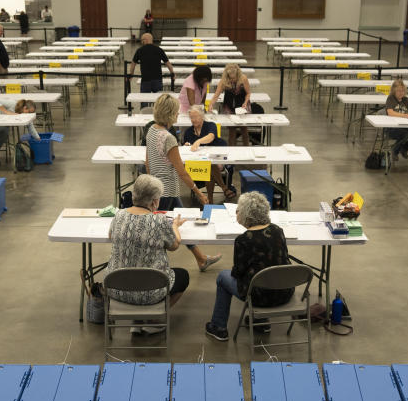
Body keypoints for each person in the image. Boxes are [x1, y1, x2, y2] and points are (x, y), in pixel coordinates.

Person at [145, 94, 221, 272]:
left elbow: (147, 161)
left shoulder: (151, 130)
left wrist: (152, 182)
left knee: (181, 220)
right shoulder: (168, 137)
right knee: (161, 232)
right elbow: (182, 171)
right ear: (170, 113)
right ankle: (153, 268)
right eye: (177, 111)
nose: (179, 114)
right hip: (168, 190)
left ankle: (201, 258)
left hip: (158, 188)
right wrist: (198, 192)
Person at [107, 174, 190, 334]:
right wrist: (175, 226)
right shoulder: (158, 222)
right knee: (183, 276)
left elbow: (111, 236)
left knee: (133, 270)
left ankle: (137, 321)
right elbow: (174, 245)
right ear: (154, 201)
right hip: (150, 292)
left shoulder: (119, 216)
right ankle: (153, 320)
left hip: (117, 288)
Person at [204, 191, 293, 341]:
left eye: (238, 209)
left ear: (246, 214)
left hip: (259, 297)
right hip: (284, 291)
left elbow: (237, 273)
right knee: (264, 274)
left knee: (222, 277)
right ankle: (261, 322)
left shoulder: (243, 240)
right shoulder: (278, 231)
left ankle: (218, 327)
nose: (236, 212)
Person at [182, 105, 235, 203]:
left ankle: (209, 199)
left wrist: (198, 141)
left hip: (216, 159)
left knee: (209, 164)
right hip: (197, 163)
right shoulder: (188, 132)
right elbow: (185, 148)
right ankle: (224, 188)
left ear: (202, 116)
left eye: (196, 117)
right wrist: (186, 146)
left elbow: (211, 137)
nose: (193, 120)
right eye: (191, 117)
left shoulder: (210, 125)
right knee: (208, 164)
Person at [0, 98, 38, 166]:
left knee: (3, 132)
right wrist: (6, 112)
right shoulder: (13, 104)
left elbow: (31, 126)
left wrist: (38, 138)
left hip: (3, 125)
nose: (30, 114)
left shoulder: (26, 115)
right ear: (25, 108)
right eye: (29, 112)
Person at [210, 63, 251, 146]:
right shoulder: (223, 81)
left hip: (242, 106)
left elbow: (248, 93)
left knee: (244, 129)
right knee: (232, 130)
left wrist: (245, 102)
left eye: (234, 78)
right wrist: (211, 105)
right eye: (230, 77)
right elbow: (216, 95)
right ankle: (231, 150)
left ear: (238, 74)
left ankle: (247, 148)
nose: (232, 79)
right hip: (229, 106)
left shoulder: (243, 78)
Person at [383, 78, 408, 160]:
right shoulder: (391, 99)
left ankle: (404, 148)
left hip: (405, 126)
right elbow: (390, 113)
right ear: (394, 91)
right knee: (405, 134)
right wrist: (405, 115)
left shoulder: (406, 100)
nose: (401, 93)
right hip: (391, 128)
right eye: (398, 91)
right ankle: (395, 150)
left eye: (402, 91)